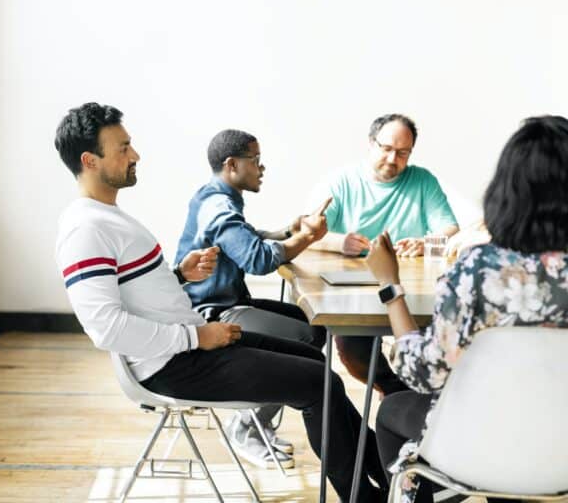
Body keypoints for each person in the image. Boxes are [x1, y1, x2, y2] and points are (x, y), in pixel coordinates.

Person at [54, 102, 388, 502]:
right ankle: (366, 496)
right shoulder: (84, 230)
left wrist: (178, 274)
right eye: (123, 148)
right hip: (175, 363)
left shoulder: (108, 217)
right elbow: (105, 328)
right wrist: (198, 338)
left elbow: (133, 289)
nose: (135, 155)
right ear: (90, 161)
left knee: (317, 364)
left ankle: (386, 477)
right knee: (320, 384)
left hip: (190, 343)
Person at [365, 115, 568, 503]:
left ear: (510, 187)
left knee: (392, 411)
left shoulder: (479, 270)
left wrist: (390, 287)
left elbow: (421, 373)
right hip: (562, 450)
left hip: (479, 449)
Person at [174, 129, 330, 469]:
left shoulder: (216, 196)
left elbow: (248, 238)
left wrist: (288, 233)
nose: (262, 168)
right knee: (304, 337)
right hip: (213, 313)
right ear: (232, 164)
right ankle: (245, 427)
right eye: (255, 160)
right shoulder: (219, 205)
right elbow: (257, 259)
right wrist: (307, 238)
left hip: (226, 301)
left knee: (314, 326)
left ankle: (254, 423)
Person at [309, 113, 460, 396]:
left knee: (441, 334)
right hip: (355, 290)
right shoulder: (341, 181)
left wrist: (428, 244)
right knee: (352, 346)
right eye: (386, 149)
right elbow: (306, 231)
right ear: (371, 143)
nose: (393, 159)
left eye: (403, 153)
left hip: (412, 290)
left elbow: (451, 229)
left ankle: (410, 393)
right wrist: (340, 243)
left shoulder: (423, 180)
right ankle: (394, 391)